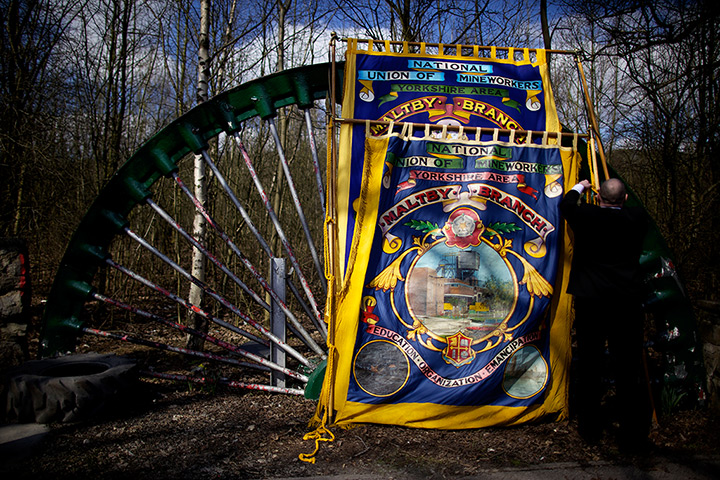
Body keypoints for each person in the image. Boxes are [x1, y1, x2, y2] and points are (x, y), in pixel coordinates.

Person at [559, 178, 651, 453]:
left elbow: (566, 203)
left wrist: (581, 187)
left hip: (592, 301)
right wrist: (610, 197)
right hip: (626, 302)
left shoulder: (587, 215)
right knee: (627, 367)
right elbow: (625, 206)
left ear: (598, 197)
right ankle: (631, 434)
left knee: (590, 364)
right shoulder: (637, 218)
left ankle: (590, 430)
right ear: (624, 199)